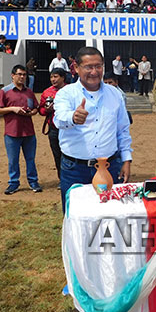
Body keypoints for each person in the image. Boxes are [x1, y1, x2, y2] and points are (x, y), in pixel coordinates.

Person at [53, 47, 132, 212]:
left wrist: (126, 160)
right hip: (75, 169)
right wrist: (73, 117)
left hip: (110, 166)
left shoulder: (115, 94)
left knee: (111, 215)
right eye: (88, 67)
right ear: (76, 68)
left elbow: (122, 130)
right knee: (75, 216)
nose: (94, 72)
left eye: (98, 66)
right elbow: (59, 119)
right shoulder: (65, 94)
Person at [0, 64, 42, 194]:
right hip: (12, 132)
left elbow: (36, 107)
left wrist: (32, 112)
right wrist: (12, 109)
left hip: (28, 131)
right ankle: (13, 183)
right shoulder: (5, 91)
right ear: (13, 75)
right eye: (19, 74)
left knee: (30, 159)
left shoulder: (29, 92)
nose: (22, 77)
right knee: (13, 160)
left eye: (24, 75)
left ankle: (33, 181)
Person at [38, 67, 70, 187]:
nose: (53, 79)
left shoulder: (71, 90)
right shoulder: (47, 92)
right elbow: (41, 110)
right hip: (53, 128)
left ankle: (72, 177)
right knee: (57, 154)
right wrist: (47, 110)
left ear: (63, 77)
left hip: (69, 128)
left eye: (56, 76)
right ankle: (62, 179)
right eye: (51, 77)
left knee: (70, 154)